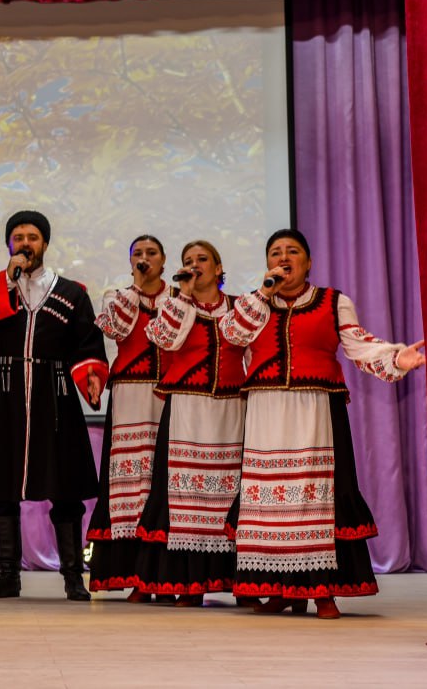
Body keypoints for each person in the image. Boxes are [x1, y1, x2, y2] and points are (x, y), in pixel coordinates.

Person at [220, 229, 426, 619]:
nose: (283, 258)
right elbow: (231, 334)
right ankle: (280, 588)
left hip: (316, 410)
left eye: (292, 251)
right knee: (270, 501)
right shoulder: (253, 304)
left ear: (308, 262)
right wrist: (264, 292)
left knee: (315, 499)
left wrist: (397, 358)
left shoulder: (333, 302)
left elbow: (360, 345)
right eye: (275, 252)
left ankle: (322, 591)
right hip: (266, 411)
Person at [0, 210, 108, 601]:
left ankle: (72, 576)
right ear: (9, 244)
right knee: (4, 490)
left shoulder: (71, 292)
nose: (25, 244)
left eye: (33, 237)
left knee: (65, 490)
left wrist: (92, 374)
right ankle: (8, 576)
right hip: (7, 394)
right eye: (18, 237)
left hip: (55, 395)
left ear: (45, 243)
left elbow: (88, 342)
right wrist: (7, 279)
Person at [134, 241, 247, 607]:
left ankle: (239, 584)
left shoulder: (240, 308)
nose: (195, 265)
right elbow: (165, 340)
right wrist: (183, 295)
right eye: (188, 261)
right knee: (184, 498)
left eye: (202, 259)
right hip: (186, 410)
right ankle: (188, 581)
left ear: (219, 267)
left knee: (230, 494)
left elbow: (251, 352)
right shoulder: (175, 306)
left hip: (230, 411)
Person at [87, 234, 175, 600]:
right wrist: (136, 289)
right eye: (138, 253)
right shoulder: (117, 296)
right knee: (132, 482)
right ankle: (136, 573)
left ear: (164, 260)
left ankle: (165, 574)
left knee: (164, 477)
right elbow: (115, 329)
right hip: (130, 396)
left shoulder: (178, 298)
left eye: (151, 253)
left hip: (169, 392)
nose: (145, 258)